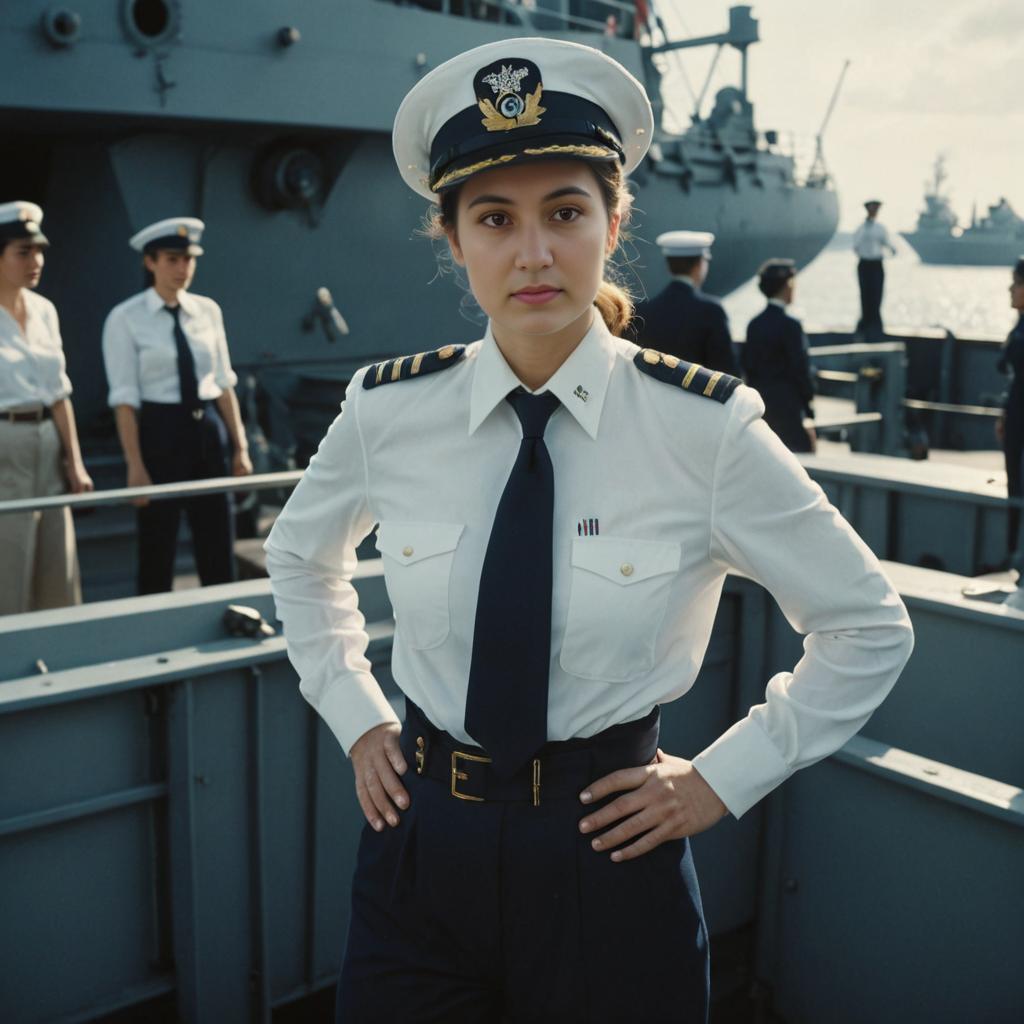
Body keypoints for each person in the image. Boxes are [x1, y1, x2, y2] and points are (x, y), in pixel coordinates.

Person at [264, 38, 914, 1022]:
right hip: (418, 855)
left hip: (611, 859)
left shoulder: (704, 429)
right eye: (494, 218)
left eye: (564, 212)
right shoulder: (387, 411)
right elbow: (299, 559)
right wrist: (357, 717)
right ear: (452, 239)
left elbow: (868, 625)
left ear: (613, 223)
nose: (532, 252)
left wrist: (718, 780)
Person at [102, 218, 252, 595]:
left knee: (217, 538)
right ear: (150, 262)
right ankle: (152, 631)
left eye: (189, 259)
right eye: (172, 259)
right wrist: (135, 466)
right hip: (159, 433)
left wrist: (240, 447)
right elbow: (124, 399)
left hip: (207, 431)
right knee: (158, 543)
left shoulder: (207, 311)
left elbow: (222, 383)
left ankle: (227, 619)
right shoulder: (125, 319)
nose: (183, 269)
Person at [0, 201, 92, 615]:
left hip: (48, 440)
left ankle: (58, 647)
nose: (35, 261)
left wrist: (75, 462)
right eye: (23, 252)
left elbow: (59, 393)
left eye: (39, 251)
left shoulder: (44, 311)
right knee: (9, 555)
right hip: (6, 442)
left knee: (59, 554)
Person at [629, 230, 741, 375]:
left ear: (669, 266)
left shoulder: (642, 311)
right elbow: (726, 370)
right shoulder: (711, 311)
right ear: (699, 265)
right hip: (697, 396)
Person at [742, 258, 817, 453]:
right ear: (786, 286)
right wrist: (808, 402)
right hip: (789, 407)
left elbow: (748, 367)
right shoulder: (791, 325)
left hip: (763, 407)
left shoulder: (754, 325)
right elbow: (800, 369)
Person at [996, 256, 1024, 564]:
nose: (1010, 289)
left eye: (1017, 283)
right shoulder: (1019, 326)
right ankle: (1013, 555)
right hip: (1016, 414)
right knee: (1014, 485)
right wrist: (1004, 413)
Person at [852, 199, 896, 339]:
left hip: (877, 264)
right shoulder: (861, 228)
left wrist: (892, 251)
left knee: (877, 294)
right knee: (865, 295)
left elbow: (887, 243)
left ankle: (875, 325)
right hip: (865, 264)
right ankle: (865, 324)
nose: (874, 212)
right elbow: (856, 246)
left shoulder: (880, 228)